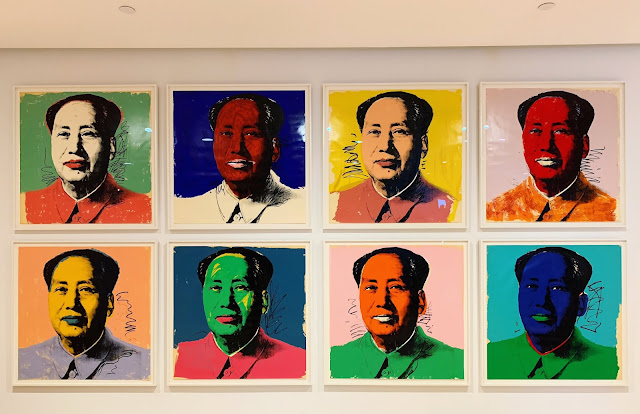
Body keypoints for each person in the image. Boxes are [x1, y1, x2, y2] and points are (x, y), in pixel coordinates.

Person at [330, 247, 463, 379]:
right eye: (371, 288)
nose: (382, 301)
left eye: (396, 287)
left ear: (420, 302)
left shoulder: (457, 363)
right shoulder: (333, 360)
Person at [487, 247, 619, 380]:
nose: (541, 301)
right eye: (531, 286)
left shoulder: (613, 365)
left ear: (581, 304)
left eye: (557, 288)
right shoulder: (487, 357)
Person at [173, 247, 306, 379]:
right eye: (216, 288)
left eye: (240, 287)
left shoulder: (300, 365)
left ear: (264, 301)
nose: (226, 302)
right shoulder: (175, 360)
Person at [18, 249, 150, 380]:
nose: (71, 303)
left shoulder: (145, 366)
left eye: (85, 289)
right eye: (62, 289)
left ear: (109, 303)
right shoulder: (21, 363)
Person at [486, 90, 617, 222]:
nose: (546, 145)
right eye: (535, 131)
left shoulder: (612, 214)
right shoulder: (494, 213)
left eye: (560, 131)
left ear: (584, 145)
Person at [173, 94, 305, 224]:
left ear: (274, 148)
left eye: (250, 134)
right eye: (226, 134)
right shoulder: (186, 212)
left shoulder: (301, 209)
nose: (236, 147)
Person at [22, 94, 152, 224]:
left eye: (88, 134)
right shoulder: (24, 206)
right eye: (64, 134)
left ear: (111, 147)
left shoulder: (144, 210)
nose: (74, 148)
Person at [331, 91, 453, 224]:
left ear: (423, 143)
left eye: (399, 131)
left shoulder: (450, 210)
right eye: (374, 132)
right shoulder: (334, 205)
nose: (384, 146)